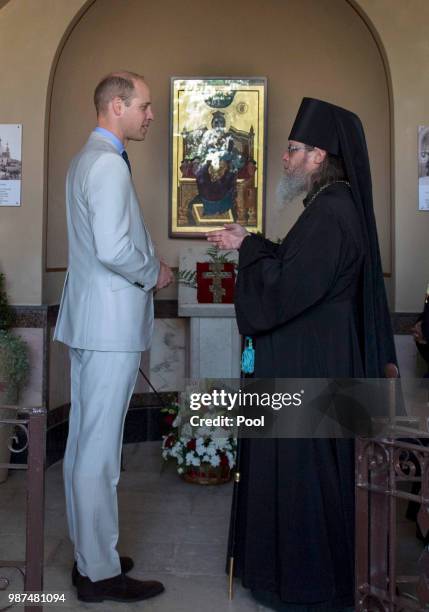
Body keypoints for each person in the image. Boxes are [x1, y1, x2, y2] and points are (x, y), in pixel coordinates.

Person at [207, 98, 397, 611]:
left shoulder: (332, 213)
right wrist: (251, 242)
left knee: (305, 477)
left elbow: (287, 289)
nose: (285, 159)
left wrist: (248, 253)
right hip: (316, 361)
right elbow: (297, 271)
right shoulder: (330, 208)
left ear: (319, 156)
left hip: (310, 370)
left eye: (293, 150)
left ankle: (305, 583)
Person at [54, 71, 173, 603]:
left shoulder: (86, 159)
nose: (151, 115)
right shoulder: (107, 166)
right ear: (118, 106)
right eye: (145, 106)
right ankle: (100, 574)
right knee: (98, 453)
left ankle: (91, 555)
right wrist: (155, 272)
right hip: (108, 327)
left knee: (84, 445)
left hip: (89, 322)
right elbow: (112, 248)